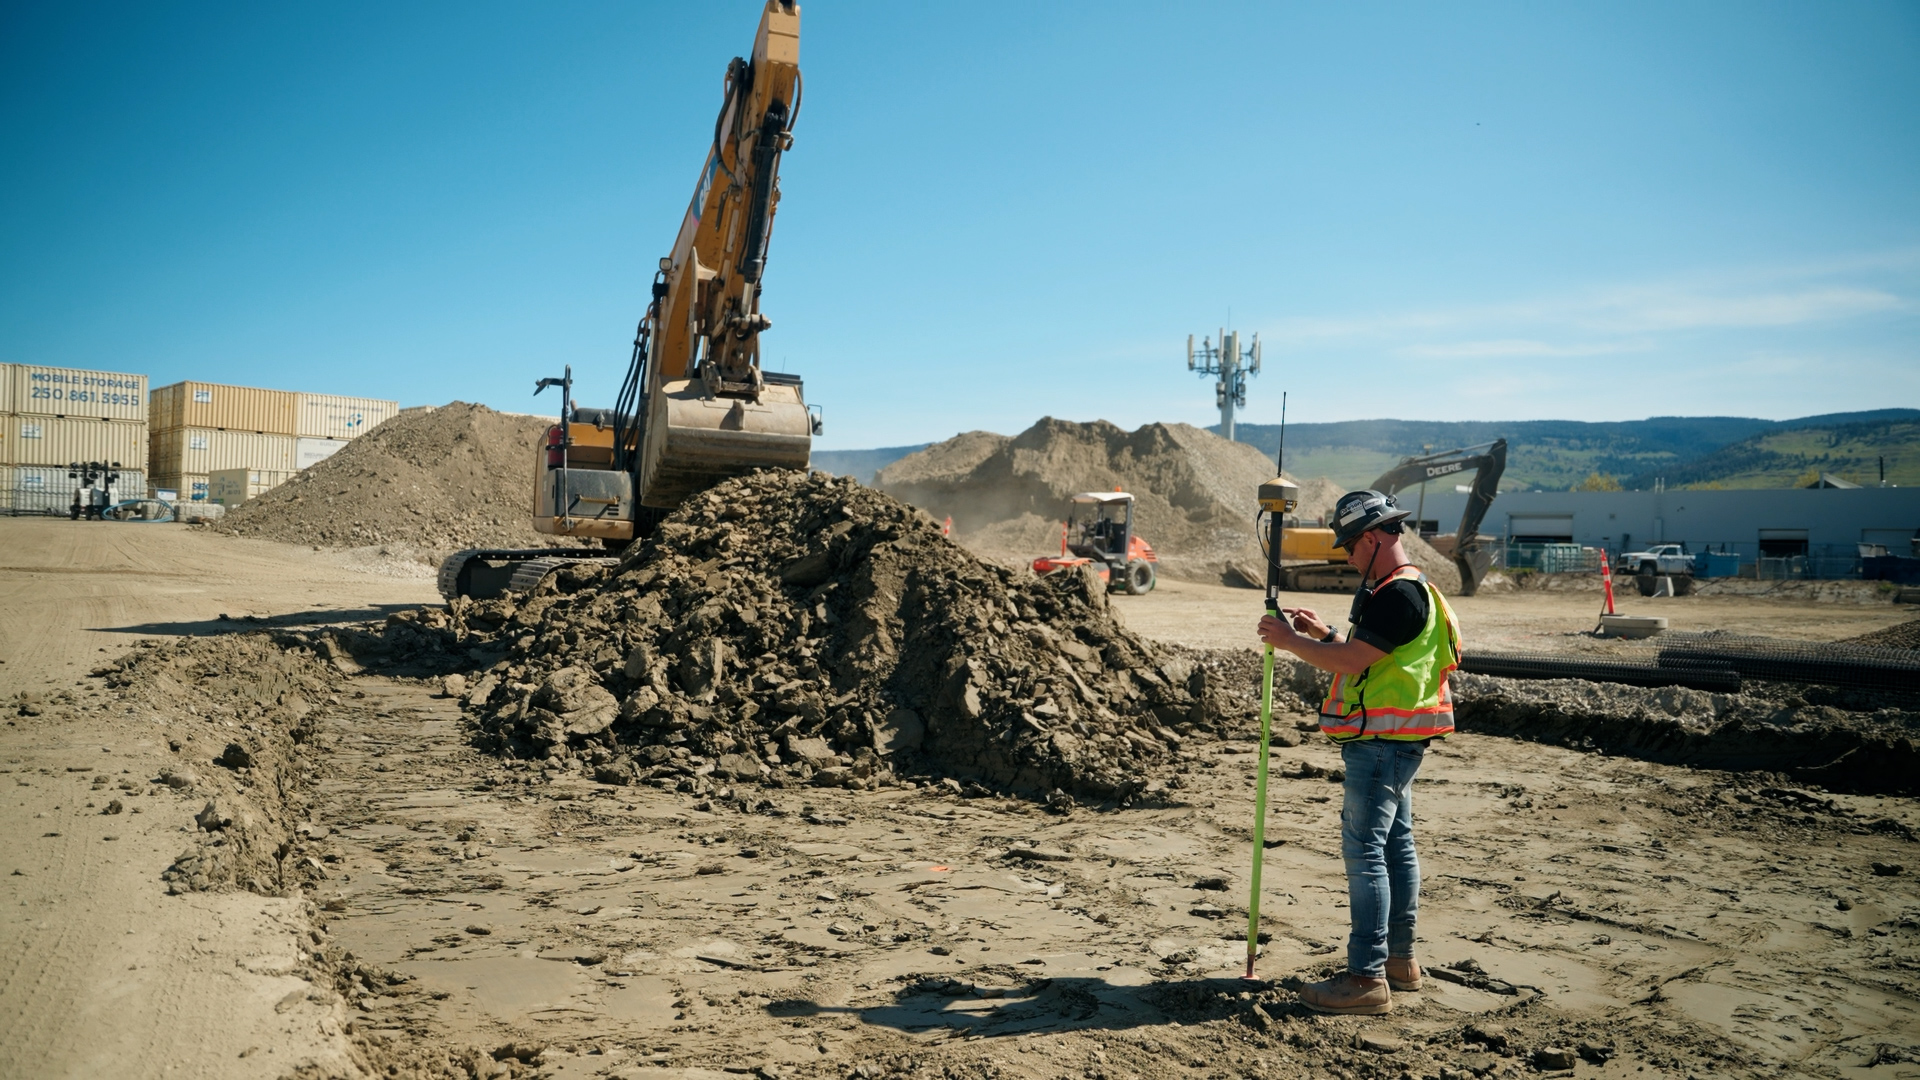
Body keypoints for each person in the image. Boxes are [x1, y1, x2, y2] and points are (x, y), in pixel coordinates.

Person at [1256, 489, 1462, 1015]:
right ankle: (1399, 961)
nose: (1347, 556)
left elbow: (1351, 662)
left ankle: (1366, 978)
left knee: (1366, 852)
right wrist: (1321, 632)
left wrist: (1287, 641)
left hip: (1379, 747)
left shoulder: (1397, 594)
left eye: (1349, 546)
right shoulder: (1416, 591)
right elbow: (1378, 657)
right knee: (1396, 847)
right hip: (1399, 743)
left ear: (1372, 537)